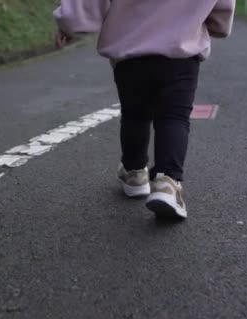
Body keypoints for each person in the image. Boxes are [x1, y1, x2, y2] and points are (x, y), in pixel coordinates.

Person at [54, 0, 235, 219]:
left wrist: (71, 23)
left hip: (131, 52)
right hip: (182, 51)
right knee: (174, 118)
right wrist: (218, 23)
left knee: (134, 114)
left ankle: (134, 172)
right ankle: (167, 184)